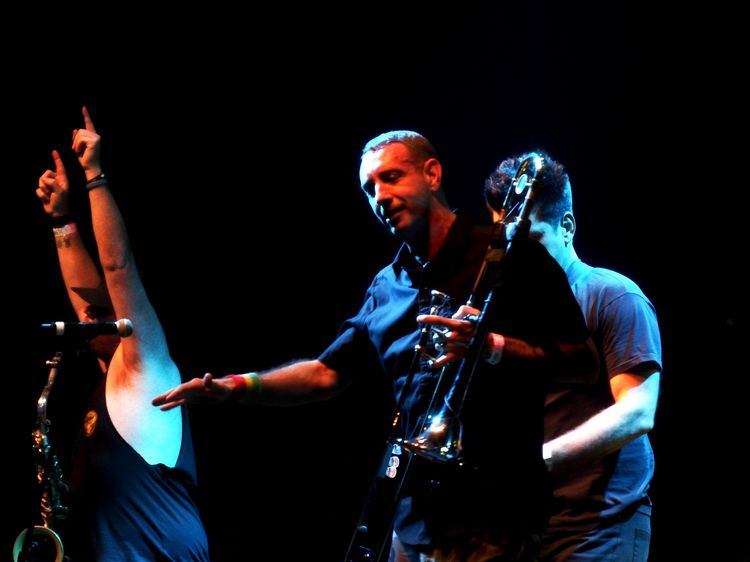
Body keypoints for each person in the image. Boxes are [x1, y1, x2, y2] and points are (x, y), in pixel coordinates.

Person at [152, 131, 598, 562]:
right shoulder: (387, 285)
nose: (380, 197)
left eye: (391, 177)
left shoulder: (509, 257)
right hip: (410, 516)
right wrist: (235, 387)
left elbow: (584, 364)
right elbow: (327, 372)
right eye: (369, 189)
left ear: (432, 173)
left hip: (492, 515)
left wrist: (492, 347)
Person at [35, 107, 210, 561]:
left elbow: (117, 267)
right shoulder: (111, 382)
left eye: (105, 313)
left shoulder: (148, 368)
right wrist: (61, 221)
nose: (88, 318)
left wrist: (93, 176)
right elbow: (85, 302)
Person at [482, 151, 662, 562]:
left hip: (599, 526)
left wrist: (541, 459)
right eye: (506, 242)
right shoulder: (508, 308)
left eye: (530, 240)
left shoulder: (613, 294)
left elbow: (638, 412)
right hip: (524, 525)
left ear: (567, 227)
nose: (516, 255)